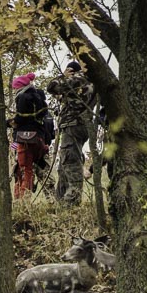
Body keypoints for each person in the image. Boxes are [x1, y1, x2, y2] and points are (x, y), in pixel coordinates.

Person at [47, 60, 95, 206]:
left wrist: (64, 75)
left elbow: (52, 87)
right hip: (82, 125)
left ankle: (70, 205)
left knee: (70, 164)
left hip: (73, 125)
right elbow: (70, 98)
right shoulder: (92, 83)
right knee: (64, 166)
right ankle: (60, 203)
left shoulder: (78, 79)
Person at [10, 72, 49, 199]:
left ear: (19, 87)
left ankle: (22, 202)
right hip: (39, 139)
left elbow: (20, 118)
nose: (15, 90)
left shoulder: (23, 97)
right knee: (39, 170)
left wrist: (9, 123)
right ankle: (51, 198)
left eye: (15, 88)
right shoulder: (38, 98)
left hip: (25, 139)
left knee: (23, 170)